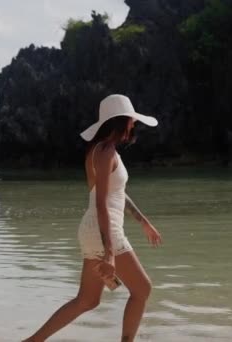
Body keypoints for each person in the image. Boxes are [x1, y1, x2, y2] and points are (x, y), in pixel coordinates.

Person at [23, 94, 162, 342]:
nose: (133, 124)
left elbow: (116, 195)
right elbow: (101, 204)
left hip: (94, 229)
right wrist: (109, 252)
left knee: (87, 300)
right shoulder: (106, 152)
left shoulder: (100, 151)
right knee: (142, 289)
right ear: (122, 121)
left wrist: (143, 221)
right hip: (103, 228)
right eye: (131, 120)